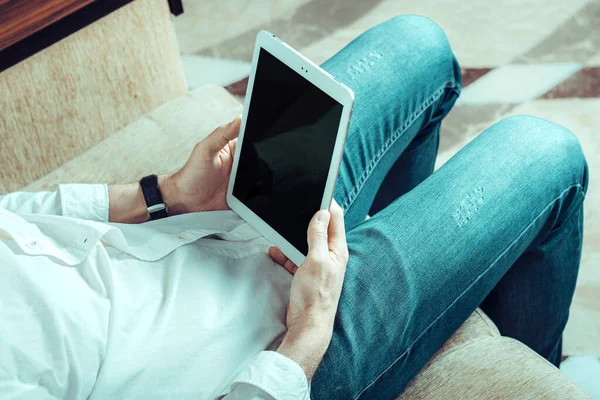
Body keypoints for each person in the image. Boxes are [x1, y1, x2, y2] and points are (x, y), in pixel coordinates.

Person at [0, 15, 588, 400]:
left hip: (201, 233)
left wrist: (166, 194)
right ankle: (537, 376)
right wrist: (307, 336)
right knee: (544, 152)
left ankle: (415, 278)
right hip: (266, 352)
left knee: (418, 42)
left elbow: (19, 214)